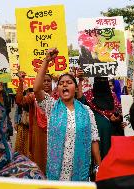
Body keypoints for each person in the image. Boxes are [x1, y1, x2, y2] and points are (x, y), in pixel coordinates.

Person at [34, 48, 101, 181]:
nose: (64, 85)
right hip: (57, 173)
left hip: (80, 171)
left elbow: (94, 139)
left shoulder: (86, 111)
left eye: (69, 82)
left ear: (76, 89)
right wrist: (46, 61)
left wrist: (99, 165)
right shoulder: (51, 106)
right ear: (57, 89)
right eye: (61, 83)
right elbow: (36, 89)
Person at [15, 71, 51, 174]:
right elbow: (19, 101)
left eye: (49, 81)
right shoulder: (33, 97)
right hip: (38, 137)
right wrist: (21, 82)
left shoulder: (58, 97)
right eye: (43, 81)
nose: (46, 83)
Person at [79, 76, 122, 160]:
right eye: (98, 80)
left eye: (103, 80)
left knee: (109, 157)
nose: (101, 82)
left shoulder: (112, 95)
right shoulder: (88, 95)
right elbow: (81, 102)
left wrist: (116, 118)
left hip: (110, 133)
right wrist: (80, 81)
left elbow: (118, 112)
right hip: (93, 134)